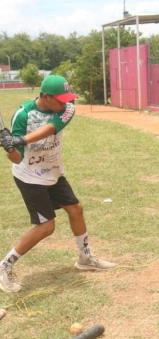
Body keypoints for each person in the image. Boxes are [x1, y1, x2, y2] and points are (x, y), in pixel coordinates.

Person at [0, 74, 117, 294]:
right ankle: (4, 266)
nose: (66, 103)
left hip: (53, 172)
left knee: (76, 209)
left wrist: (22, 139)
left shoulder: (66, 109)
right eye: (61, 99)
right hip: (30, 176)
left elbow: (52, 127)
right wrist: (9, 147)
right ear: (45, 96)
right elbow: (17, 158)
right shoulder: (23, 115)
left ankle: (85, 258)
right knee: (46, 226)